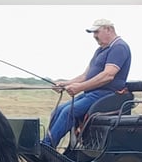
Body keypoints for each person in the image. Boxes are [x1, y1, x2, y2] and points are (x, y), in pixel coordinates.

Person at [41, 18, 131, 147]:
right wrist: (66, 84)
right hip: (92, 94)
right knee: (58, 110)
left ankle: (47, 146)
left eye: (96, 32)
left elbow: (108, 76)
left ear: (108, 29)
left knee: (69, 112)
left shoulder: (119, 47)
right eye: (93, 33)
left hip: (107, 95)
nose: (94, 36)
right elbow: (85, 76)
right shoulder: (100, 50)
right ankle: (48, 146)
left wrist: (80, 88)